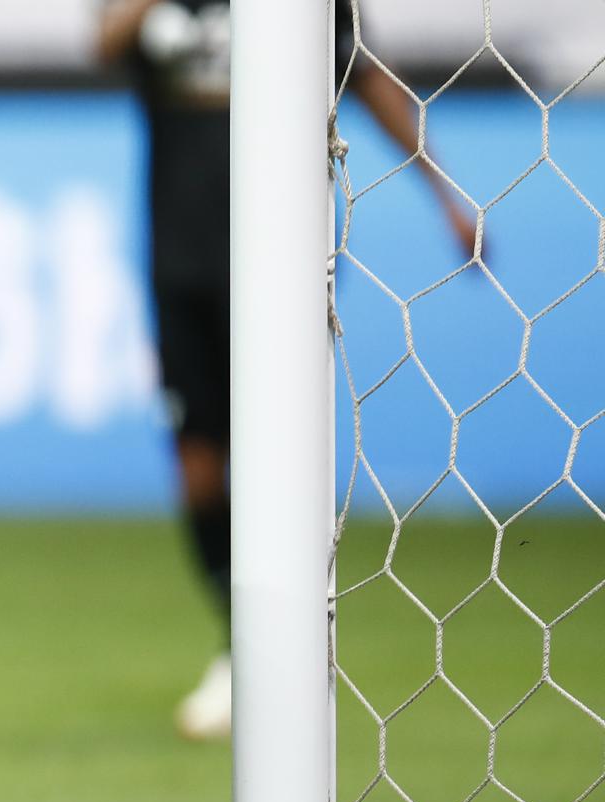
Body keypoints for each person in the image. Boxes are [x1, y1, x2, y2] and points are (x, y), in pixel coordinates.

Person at [97, 1, 475, 739]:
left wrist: (445, 193)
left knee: (276, 465)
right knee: (200, 469)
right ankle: (242, 645)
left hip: (282, 261)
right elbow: (104, 43)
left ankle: (287, 652)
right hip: (181, 262)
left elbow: (366, 79)